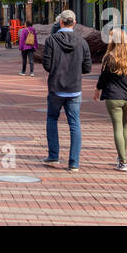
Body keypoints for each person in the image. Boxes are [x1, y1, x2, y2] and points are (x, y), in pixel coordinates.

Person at [41, 9, 91, 171]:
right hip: (74, 88)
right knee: (74, 124)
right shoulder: (82, 42)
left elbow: (47, 65)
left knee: (52, 119)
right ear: (74, 23)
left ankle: (54, 156)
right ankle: (74, 162)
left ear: (60, 22)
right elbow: (87, 68)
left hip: (56, 87)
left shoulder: (51, 40)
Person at [96, 28, 127, 171]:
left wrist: (97, 90)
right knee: (125, 127)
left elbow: (103, 78)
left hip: (114, 97)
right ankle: (122, 156)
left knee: (117, 128)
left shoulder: (109, 57)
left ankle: (123, 162)